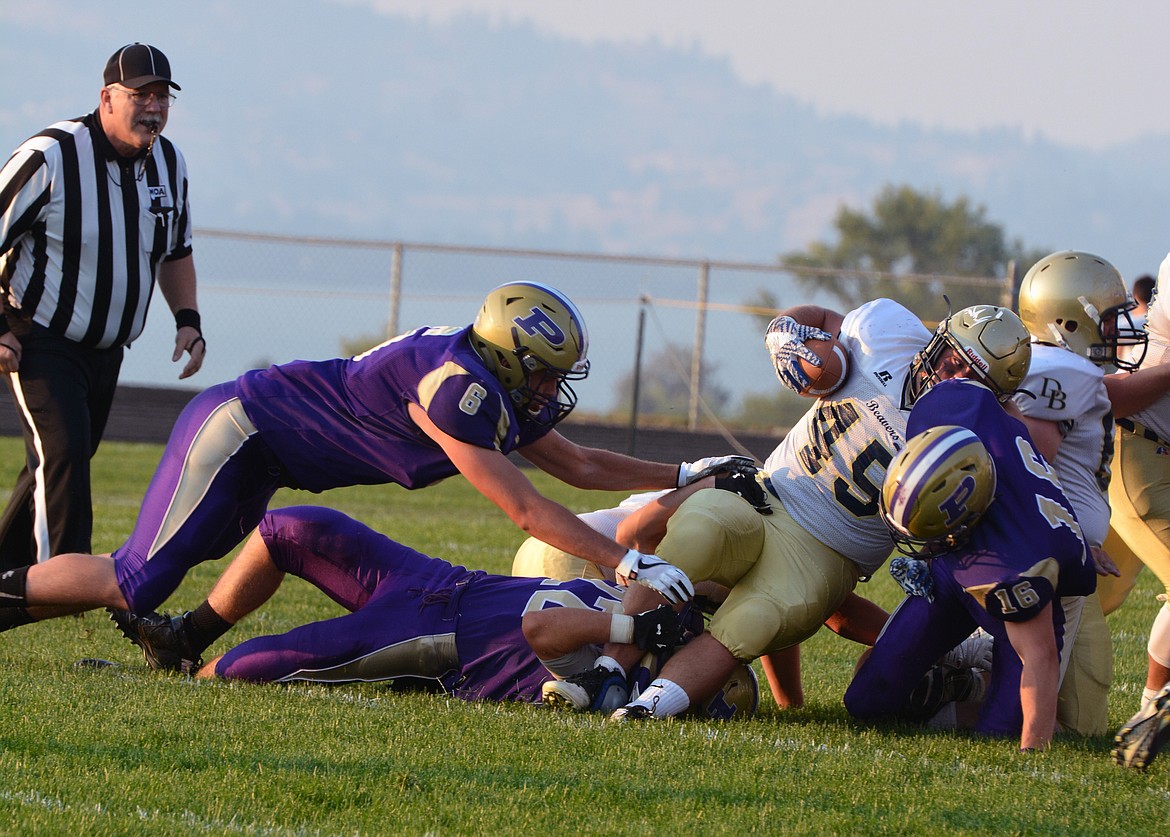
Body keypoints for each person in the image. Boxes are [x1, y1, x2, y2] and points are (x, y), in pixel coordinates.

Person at [0, 280, 755, 639]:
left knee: (148, 582)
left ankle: (178, 641)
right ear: (508, 353)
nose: (553, 387)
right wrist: (624, 562)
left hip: (269, 453)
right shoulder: (458, 388)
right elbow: (525, 508)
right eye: (546, 370)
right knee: (134, 580)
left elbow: (580, 466)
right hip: (244, 430)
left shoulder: (485, 375)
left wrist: (683, 474)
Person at [553, 300, 1032, 720]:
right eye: (952, 359)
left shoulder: (972, 439)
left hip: (830, 552)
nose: (952, 376)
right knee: (698, 531)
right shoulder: (890, 332)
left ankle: (644, 710)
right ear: (939, 339)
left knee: (756, 617)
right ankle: (606, 672)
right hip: (769, 492)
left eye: (972, 378)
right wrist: (786, 331)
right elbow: (821, 318)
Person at [0, 43, 205, 572]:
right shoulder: (51, 156)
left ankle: (6, 579)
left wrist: (188, 319)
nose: (153, 107)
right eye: (140, 95)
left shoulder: (169, 161)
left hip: (107, 348)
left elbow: (175, 248)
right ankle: (65, 590)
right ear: (107, 97)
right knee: (64, 456)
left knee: (57, 462)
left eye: (162, 96)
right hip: (38, 335)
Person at [844, 379, 1096, 752]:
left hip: (1012, 582)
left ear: (968, 515)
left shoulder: (1017, 562)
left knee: (1003, 732)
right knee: (865, 701)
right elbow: (1002, 408)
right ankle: (957, 670)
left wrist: (1033, 750)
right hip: (957, 563)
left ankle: (977, 677)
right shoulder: (943, 408)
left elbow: (1039, 659)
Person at [1010, 250, 1148, 736]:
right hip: (1051, 553)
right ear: (1069, 321)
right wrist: (1075, 539)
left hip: (1064, 555)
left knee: (1085, 717)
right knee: (1027, 698)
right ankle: (951, 672)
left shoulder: (1055, 366)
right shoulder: (1064, 372)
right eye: (1110, 319)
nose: (1119, 330)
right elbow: (1033, 464)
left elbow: (1114, 399)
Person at [1103, 252, 1170, 769]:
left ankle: (1152, 704)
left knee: (1085, 595)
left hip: (1155, 451)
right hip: (1144, 453)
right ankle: (961, 666)